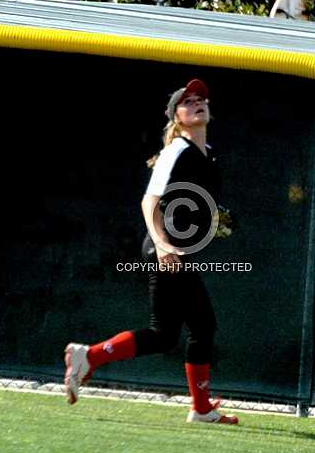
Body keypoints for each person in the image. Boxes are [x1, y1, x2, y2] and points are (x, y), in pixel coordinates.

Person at [64, 79, 238, 425]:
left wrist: (213, 219)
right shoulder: (176, 150)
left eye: (201, 98)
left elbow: (194, 203)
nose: (198, 103)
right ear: (177, 115)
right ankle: (200, 409)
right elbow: (149, 201)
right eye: (188, 101)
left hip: (177, 248)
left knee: (163, 334)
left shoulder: (209, 153)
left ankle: (89, 356)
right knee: (203, 325)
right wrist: (162, 244)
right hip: (166, 249)